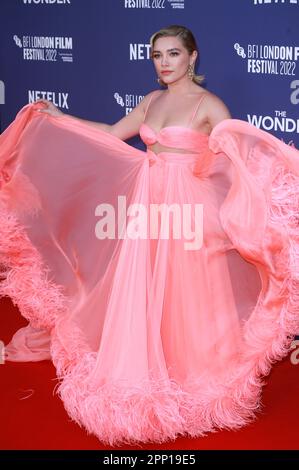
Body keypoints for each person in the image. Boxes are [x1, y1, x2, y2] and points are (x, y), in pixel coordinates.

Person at [0, 24, 299, 446]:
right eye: (157, 55)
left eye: (173, 54)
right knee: (146, 288)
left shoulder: (210, 105)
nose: (164, 63)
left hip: (189, 210)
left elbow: (236, 159)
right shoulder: (152, 100)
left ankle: (201, 380)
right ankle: (145, 371)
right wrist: (63, 118)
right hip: (148, 202)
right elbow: (108, 134)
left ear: (192, 57)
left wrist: (250, 207)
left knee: (188, 294)